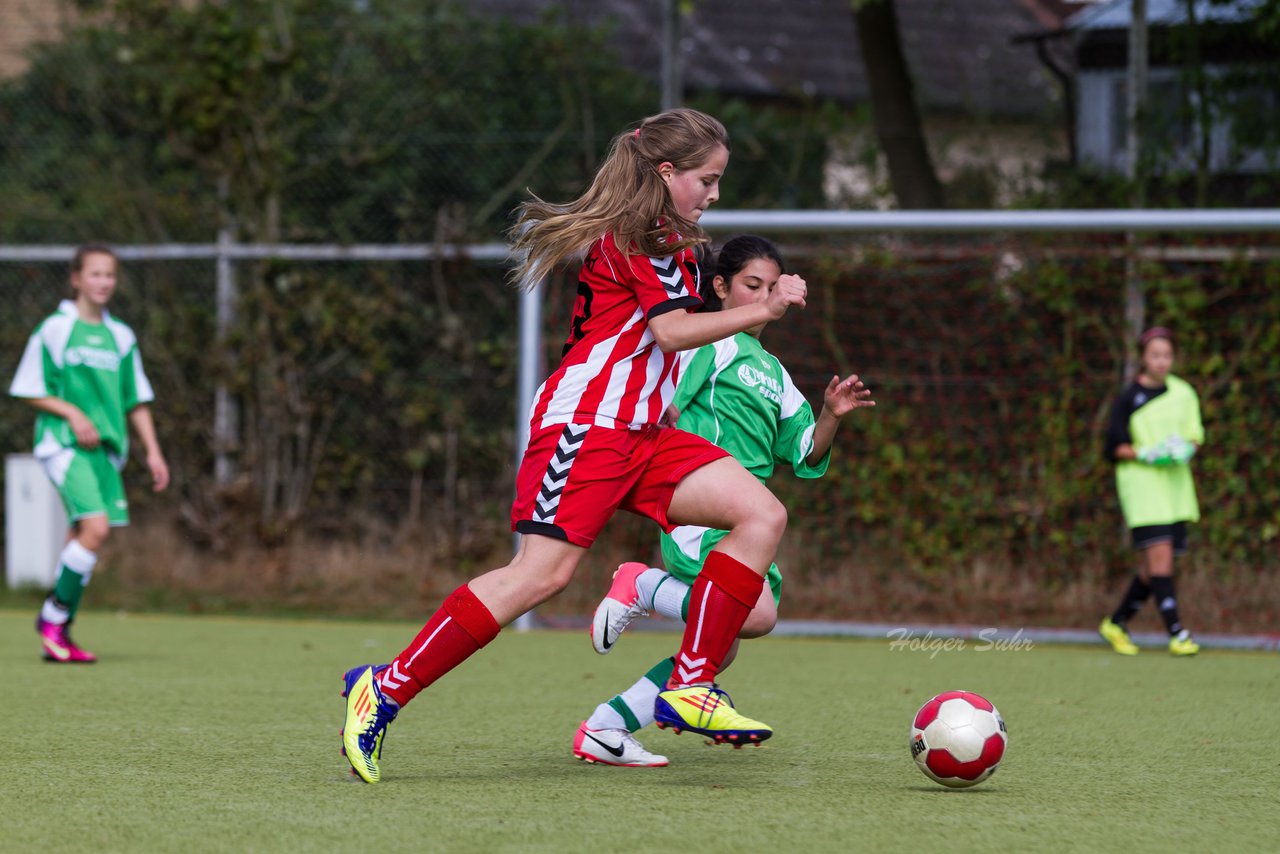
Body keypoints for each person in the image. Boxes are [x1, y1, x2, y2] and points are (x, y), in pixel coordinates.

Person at [337, 108, 811, 784]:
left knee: (762, 515)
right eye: (706, 179)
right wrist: (763, 309)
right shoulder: (638, 235)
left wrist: (750, 306)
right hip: (586, 426)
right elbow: (674, 334)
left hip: (646, 433)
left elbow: (677, 330)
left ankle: (692, 686)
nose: (714, 195)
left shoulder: (673, 242)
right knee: (540, 575)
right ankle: (383, 688)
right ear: (667, 171)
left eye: (718, 182)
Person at [571, 235, 875, 767]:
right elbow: (659, 394)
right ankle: (642, 585)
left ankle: (606, 727)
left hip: (744, 520)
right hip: (703, 504)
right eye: (751, 285)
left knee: (718, 647)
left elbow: (804, 455)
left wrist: (830, 415)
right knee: (751, 617)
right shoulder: (705, 343)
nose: (763, 296)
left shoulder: (776, 373)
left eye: (771, 288)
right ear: (719, 287)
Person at [9, 242, 170, 663]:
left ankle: (57, 629)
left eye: (110, 275)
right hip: (62, 444)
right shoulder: (56, 329)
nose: (103, 282)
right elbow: (29, 387)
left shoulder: (121, 336)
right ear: (76, 278)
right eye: (94, 274)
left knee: (83, 538)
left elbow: (136, 399)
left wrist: (153, 451)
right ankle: (53, 618)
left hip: (106, 452)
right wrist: (73, 414)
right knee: (95, 529)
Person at [1098, 326, 1203, 657]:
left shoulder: (1184, 393)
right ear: (1143, 358)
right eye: (1155, 355)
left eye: (1167, 355)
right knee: (1161, 560)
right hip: (1142, 487)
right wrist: (1147, 453)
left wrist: (1184, 450)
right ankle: (1177, 632)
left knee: (1153, 567)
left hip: (1175, 489)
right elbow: (1113, 447)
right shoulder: (1128, 397)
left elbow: (1195, 436)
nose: (1161, 361)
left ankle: (1116, 623)